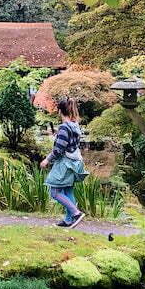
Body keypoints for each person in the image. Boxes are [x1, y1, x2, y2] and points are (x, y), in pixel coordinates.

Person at [40, 98, 87, 228]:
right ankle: (68, 220)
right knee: (67, 190)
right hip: (74, 162)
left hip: (65, 164)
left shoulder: (64, 128)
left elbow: (59, 149)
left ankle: (76, 213)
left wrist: (47, 160)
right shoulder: (75, 126)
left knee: (54, 192)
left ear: (60, 111)